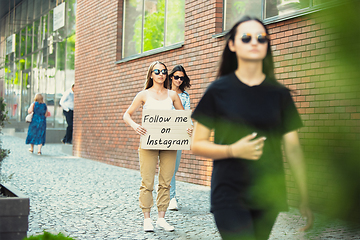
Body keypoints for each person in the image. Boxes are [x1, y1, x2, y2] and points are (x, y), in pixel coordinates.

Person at [191, 16, 313, 240]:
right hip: (228, 192)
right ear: (232, 45)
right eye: (246, 38)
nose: (254, 42)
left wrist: (304, 194)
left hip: (268, 193)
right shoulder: (217, 91)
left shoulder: (280, 94)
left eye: (261, 38)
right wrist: (232, 150)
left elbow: (294, 149)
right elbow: (196, 144)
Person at [123, 61, 186, 232]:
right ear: (151, 74)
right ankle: (147, 219)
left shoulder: (172, 95)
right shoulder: (143, 94)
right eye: (157, 71)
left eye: (164, 71)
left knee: (166, 181)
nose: (161, 74)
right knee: (147, 181)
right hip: (148, 142)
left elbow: (183, 117)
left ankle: (161, 219)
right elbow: (126, 115)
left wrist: (188, 126)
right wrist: (136, 126)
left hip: (169, 143)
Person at [168, 64, 192, 211]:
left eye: (181, 78)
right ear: (171, 77)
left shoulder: (184, 96)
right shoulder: (163, 93)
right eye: (176, 77)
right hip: (161, 133)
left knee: (173, 168)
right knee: (165, 167)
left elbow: (187, 114)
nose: (179, 80)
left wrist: (190, 127)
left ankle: (169, 195)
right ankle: (169, 197)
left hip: (177, 134)